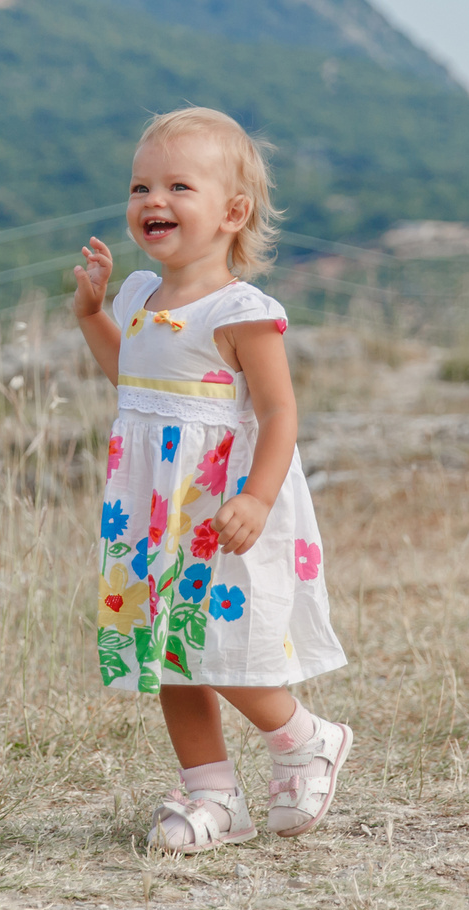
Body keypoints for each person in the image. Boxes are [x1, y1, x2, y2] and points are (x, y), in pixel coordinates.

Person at [70, 105, 352, 853]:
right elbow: (129, 379)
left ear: (232, 212)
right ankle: (213, 793)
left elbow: (279, 410)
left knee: (219, 642)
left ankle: (303, 736)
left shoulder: (241, 311)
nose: (151, 201)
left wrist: (257, 495)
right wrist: (94, 314)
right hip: (149, 512)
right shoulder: (135, 296)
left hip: (216, 502)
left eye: (177, 186)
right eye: (139, 186)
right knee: (166, 650)